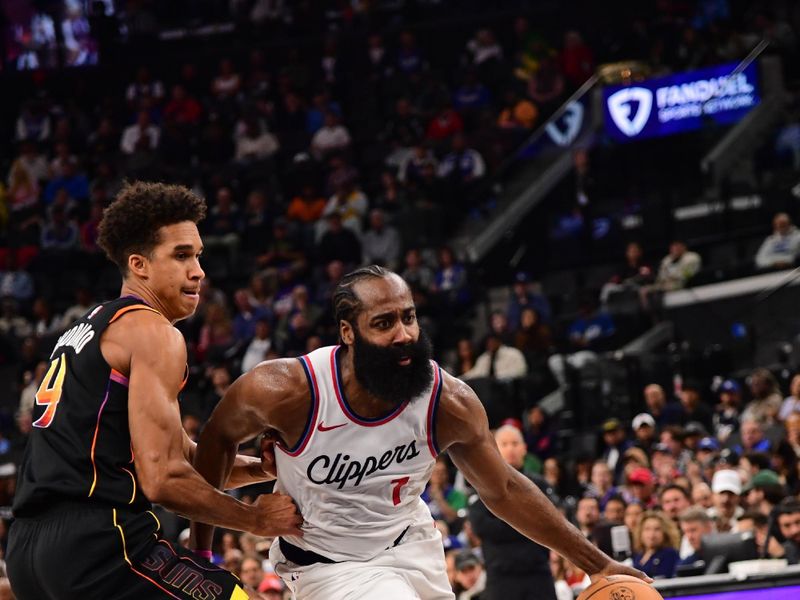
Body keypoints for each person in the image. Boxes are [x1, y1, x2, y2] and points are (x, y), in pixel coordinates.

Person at [191, 266, 650, 598]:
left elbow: (505, 487)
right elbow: (214, 446)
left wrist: (598, 564)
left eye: (408, 317)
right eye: (384, 323)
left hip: (412, 545)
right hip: (328, 566)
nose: (404, 334)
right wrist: (202, 555)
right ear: (348, 333)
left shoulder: (447, 402)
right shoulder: (285, 390)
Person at [7, 182, 302, 600]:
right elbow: (164, 478)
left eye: (198, 255)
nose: (198, 270)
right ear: (139, 265)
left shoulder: (87, 328)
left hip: (30, 551)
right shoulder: (153, 332)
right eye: (181, 256)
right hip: (102, 543)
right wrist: (254, 520)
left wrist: (265, 468)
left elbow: (187, 459)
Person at [468, 425, 558, 600]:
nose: (511, 449)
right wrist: (527, 521)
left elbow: (549, 522)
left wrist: (504, 520)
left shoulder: (540, 485)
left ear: (524, 448)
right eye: (505, 444)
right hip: (501, 578)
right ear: (495, 448)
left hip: (538, 575)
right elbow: (481, 526)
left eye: (515, 443)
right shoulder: (481, 485)